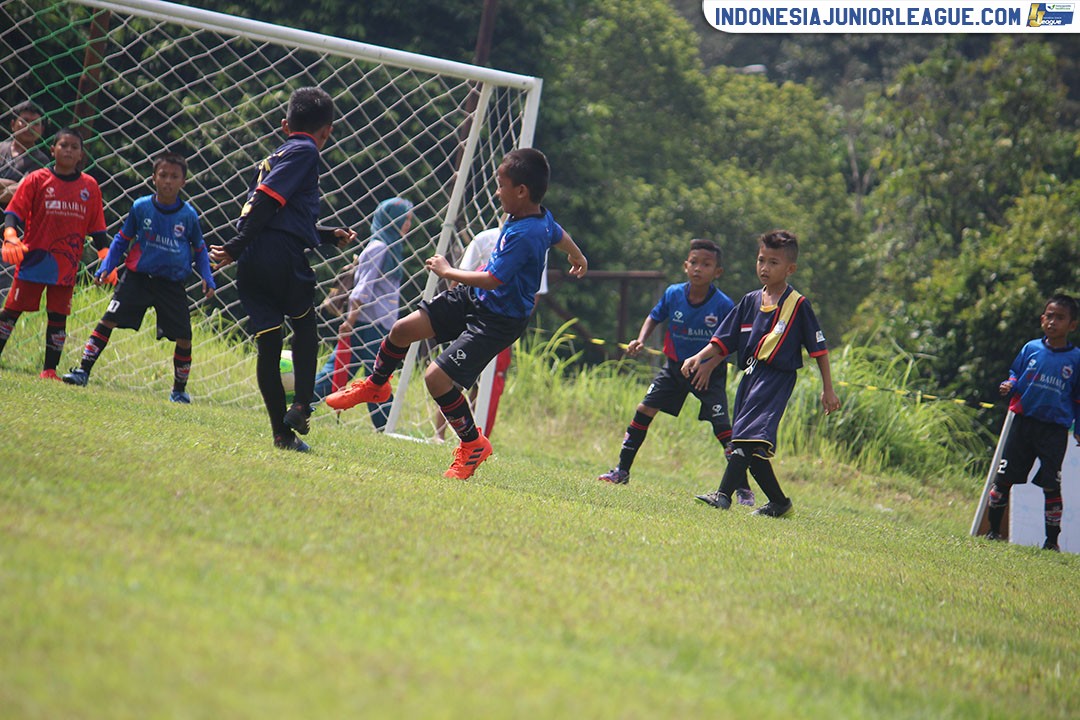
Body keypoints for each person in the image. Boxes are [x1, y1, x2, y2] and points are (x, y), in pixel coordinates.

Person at [325, 147, 587, 479]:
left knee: (436, 378)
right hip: (473, 298)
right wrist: (578, 256)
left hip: (498, 319)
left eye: (501, 184)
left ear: (521, 191)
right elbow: (559, 233)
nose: (496, 191)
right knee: (402, 331)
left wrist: (447, 271)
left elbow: (493, 279)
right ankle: (377, 385)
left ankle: (472, 443)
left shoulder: (526, 234)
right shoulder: (535, 217)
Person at [209, 87, 356, 453]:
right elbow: (266, 201)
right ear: (328, 131)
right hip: (278, 255)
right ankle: (303, 405)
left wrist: (324, 235)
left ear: (284, 124)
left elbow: (277, 212)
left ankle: (281, 434)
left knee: (269, 345)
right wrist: (234, 245)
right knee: (306, 326)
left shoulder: (274, 155)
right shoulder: (306, 151)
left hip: (254, 258)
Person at [683, 229, 840, 517]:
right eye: (761, 260)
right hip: (750, 376)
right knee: (752, 448)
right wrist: (698, 356)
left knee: (744, 437)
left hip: (776, 379)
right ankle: (780, 503)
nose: (765, 268)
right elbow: (723, 340)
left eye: (773, 263)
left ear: (790, 268)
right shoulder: (750, 301)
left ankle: (722, 495)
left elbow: (819, 350)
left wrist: (827, 389)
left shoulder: (798, 305)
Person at [597, 238, 751, 499]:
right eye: (693, 262)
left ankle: (742, 487)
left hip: (708, 374)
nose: (698, 269)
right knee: (644, 408)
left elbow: (731, 342)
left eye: (706, 264)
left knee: (723, 427)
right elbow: (654, 316)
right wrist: (641, 339)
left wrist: (709, 365)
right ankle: (622, 471)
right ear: (685, 265)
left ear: (717, 272)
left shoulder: (724, 305)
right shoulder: (673, 294)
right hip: (674, 368)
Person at [61, 151, 216, 401]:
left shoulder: (188, 215)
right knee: (107, 320)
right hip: (137, 278)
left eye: (174, 176)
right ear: (153, 177)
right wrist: (106, 266)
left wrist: (208, 277)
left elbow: (199, 249)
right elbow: (122, 240)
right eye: (163, 175)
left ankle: (179, 392)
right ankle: (82, 371)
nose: (168, 181)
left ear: (183, 182)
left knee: (184, 337)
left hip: (171, 283)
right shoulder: (140, 207)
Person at [0, 127, 108, 378]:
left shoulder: (89, 186)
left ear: (81, 154)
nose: (68, 150)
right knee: (12, 310)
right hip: (34, 258)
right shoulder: (36, 180)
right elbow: (13, 213)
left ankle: (49, 370)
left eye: (74, 147)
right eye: (63, 145)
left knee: (58, 315)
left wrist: (106, 258)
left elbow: (98, 229)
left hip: (66, 264)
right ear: (53, 149)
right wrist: (10, 235)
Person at [985, 294, 1080, 552]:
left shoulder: (1076, 360)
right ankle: (993, 532)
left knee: (1051, 483)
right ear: (1042, 319)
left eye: (1060, 318)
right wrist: (1010, 384)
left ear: (1072, 325)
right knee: (1004, 479)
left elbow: (1078, 398)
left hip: (1054, 430)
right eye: (1049, 316)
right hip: (1023, 423)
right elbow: (1017, 373)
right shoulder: (1031, 348)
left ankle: (1051, 542)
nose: (1053, 322)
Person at [312, 196, 413, 429]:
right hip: (368, 324)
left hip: (377, 325)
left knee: (342, 371)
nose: (408, 224)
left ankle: (302, 404)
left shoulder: (392, 247)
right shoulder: (379, 247)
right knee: (377, 378)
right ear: (392, 220)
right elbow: (362, 289)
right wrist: (350, 321)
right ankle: (385, 428)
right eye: (404, 219)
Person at [0, 101, 49, 207]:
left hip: (14, 219)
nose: (29, 126)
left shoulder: (41, 160)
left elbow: (22, 191)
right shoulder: (1, 148)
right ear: (13, 125)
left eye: (35, 123)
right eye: (24, 121)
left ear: (42, 130)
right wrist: (11, 184)